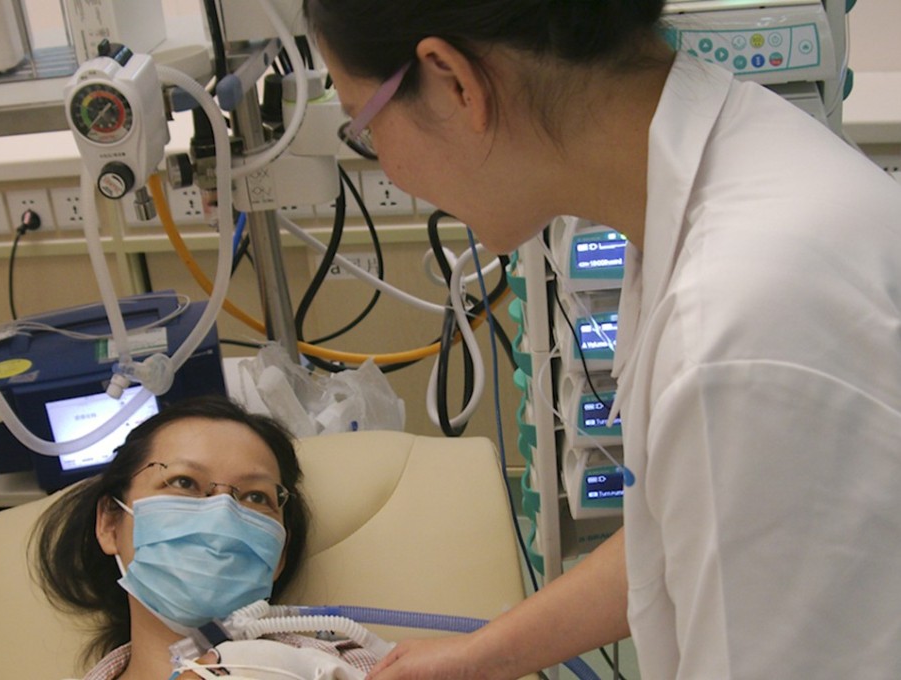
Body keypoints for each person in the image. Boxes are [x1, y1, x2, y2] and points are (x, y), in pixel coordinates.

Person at [303, 1, 901, 678]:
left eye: (364, 126)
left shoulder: (737, 326)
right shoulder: (736, 159)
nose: (385, 164)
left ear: (453, 81)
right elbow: (682, 524)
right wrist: (479, 657)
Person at [32, 394, 379, 679]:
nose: (222, 514)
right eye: (184, 483)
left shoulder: (348, 667)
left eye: (256, 497)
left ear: (280, 554)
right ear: (110, 523)